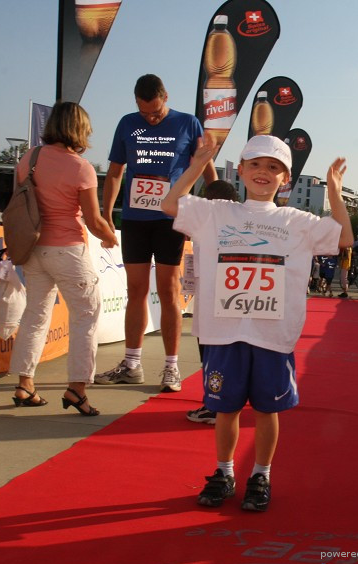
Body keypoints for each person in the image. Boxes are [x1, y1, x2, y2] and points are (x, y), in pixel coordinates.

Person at [162, 133, 353, 512]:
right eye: (255, 164)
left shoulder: (296, 220)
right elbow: (170, 204)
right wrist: (197, 166)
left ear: (286, 178)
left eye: (274, 167)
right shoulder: (215, 212)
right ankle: (224, 472)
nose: (263, 172)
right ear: (242, 171)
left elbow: (344, 236)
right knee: (226, 408)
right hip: (224, 331)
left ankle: (261, 474)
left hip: (272, 334)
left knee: (267, 410)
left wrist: (334, 192)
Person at [95, 74, 216, 393]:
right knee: (134, 290)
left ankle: (171, 367)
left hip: (170, 219)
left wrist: (218, 199)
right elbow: (115, 171)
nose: (150, 118)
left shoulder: (188, 123)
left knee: (169, 291)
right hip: (135, 219)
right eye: (144, 112)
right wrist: (106, 214)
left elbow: (204, 163)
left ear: (166, 98)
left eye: (156, 113)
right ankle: (131, 365)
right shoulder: (127, 123)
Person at [8, 102, 119, 416]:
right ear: (79, 129)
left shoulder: (29, 158)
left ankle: (25, 384)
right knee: (85, 317)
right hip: (69, 249)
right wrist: (110, 238)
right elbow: (94, 220)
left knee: (34, 317)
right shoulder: (80, 167)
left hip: (33, 248)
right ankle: (77, 389)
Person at [185, 179, 239, 425]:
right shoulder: (238, 223)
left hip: (211, 299)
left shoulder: (204, 221)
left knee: (210, 354)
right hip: (232, 299)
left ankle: (215, 405)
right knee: (225, 354)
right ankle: (221, 403)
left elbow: (171, 205)